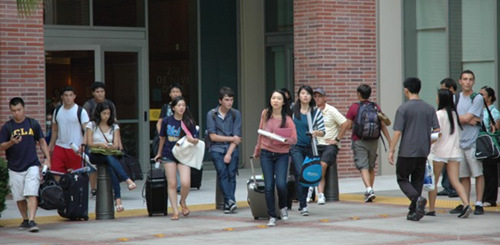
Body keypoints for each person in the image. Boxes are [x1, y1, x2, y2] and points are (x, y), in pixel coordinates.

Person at [388, 77, 439, 221]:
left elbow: (398, 132)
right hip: (423, 151)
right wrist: (428, 142)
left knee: (402, 178)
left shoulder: (403, 108)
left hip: (407, 151)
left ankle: (417, 200)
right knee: (417, 180)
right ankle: (413, 211)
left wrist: (391, 150)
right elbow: (437, 130)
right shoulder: (429, 108)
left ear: (406, 90)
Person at [0, 97, 51, 232]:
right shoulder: (7, 127)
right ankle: (25, 219)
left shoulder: (32, 123)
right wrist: (11, 142)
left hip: (32, 164)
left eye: (19, 110)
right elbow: (2, 146)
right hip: (15, 166)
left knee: (32, 192)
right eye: (14, 111)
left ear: (24, 108)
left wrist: (48, 158)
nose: (17, 113)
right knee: (19, 196)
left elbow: (41, 141)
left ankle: (32, 220)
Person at [253, 90, 297, 226]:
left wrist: (285, 140)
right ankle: (272, 215)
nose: (276, 101)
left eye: (279, 98)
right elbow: (261, 131)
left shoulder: (288, 119)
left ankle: (283, 207)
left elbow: (294, 139)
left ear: (283, 102)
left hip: (282, 155)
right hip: (266, 153)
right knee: (268, 186)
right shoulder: (265, 113)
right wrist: (257, 149)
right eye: (273, 98)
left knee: (281, 184)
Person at [426, 89, 472, 218]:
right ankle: (467, 204)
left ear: (441, 99)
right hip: (454, 152)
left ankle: (431, 209)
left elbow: (436, 135)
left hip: (439, 152)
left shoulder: (439, 114)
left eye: (437, 96)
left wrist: (427, 145)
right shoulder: (454, 114)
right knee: (455, 181)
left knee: (434, 182)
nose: (436, 98)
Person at [344, 84, 392, 202]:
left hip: (359, 140)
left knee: (363, 166)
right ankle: (370, 190)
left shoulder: (354, 107)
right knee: (371, 166)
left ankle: (369, 189)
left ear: (358, 94)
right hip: (374, 141)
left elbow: (349, 125)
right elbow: (382, 125)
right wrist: (390, 142)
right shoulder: (376, 107)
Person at [86, 102, 136, 212]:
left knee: (110, 165)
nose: (106, 116)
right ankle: (127, 179)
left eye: (108, 113)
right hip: (95, 155)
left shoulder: (114, 126)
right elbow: (89, 143)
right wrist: (100, 144)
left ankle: (118, 200)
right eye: (104, 113)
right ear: (99, 113)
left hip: (109, 153)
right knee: (108, 159)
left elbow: (116, 145)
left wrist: (109, 147)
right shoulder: (92, 125)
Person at [154, 96, 199, 220]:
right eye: (179, 105)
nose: (181, 108)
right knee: (172, 183)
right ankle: (175, 211)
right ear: (173, 108)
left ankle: (183, 201)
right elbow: (162, 138)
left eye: (183, 105)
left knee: (185, 183)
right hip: (169, 154)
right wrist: (159, 153)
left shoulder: (189, 122)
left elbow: (196, 141)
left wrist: (193, 140)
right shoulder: (167, 121)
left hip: (184, 155)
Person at [450, 70, 485, 215]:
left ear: (473, 82)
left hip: (474, 141)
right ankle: (465, 203)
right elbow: (452, 117)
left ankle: (479, 203)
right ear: (460, 81)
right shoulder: (455, 98)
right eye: (465, 79)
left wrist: (463, 118)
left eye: (470, 79)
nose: (467, 82)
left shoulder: (477, 98)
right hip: (459, 142)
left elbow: (467, 117)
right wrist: (465, 119)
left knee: (477, 173)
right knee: (463, 175)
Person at [290, 85, 325, 216]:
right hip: (296, 147)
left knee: (307, 175)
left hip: (311, 148)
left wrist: (316, 132)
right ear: (299, 95)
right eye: (303, 93)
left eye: (308, 94)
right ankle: (303, 204)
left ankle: (302, 202)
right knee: (300, 173)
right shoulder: (292, 110)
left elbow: (323, 131)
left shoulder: (316, 112)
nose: (305, 96)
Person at [206, 87, 242, 214]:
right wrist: (231, 138)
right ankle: (230, 201)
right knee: (222, 174)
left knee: (231, 175)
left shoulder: (235, 114)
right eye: (227, 100)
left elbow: (237, 138)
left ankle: (229, 203)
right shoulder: (212, 114)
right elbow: (213, 136)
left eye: (231, 100)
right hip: (216, 149)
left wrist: (229, 153)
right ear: (220, 101)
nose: (230, 103)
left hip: (231, 149)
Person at [83, 81, 120, 199]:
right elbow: (86, 125)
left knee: (110, 162)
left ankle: (113, 189)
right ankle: (93, 188)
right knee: (92, 165)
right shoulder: (88, 105)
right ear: (93, 93)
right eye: (97, 92)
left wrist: (119, 143)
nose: (100, 94)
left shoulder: (110, 104)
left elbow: (115, 123)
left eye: (102, 91)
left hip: (108, 142)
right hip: (93, 141)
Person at [312, 87, 348, 205]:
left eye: (319, 96)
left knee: (322, 165)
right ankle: (316, 192)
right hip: (315, 143)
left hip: (329, 145)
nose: (317, 98)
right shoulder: (312, 111)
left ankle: (320, 192)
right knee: (310, 165)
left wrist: (337, 139)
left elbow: (345, 123)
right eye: (315, 96)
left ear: (325, 98)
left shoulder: (331, 110)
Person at [48, 86, 90, 180]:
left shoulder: (80, 111)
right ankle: (59, 193)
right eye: (66, 95)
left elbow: (87, 130)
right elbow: (55, 130)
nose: (68, 98)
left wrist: (83, 145)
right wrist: (50, 147)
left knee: (77, 176)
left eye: (71, 95)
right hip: (60, 146)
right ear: (62, 97)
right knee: (56, 173)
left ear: (74, 96)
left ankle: (75, 194)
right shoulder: (57, 111)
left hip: (75, 148)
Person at [436, 78, 459, 198]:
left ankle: (431, 208)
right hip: (452, 147)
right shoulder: (452, 112)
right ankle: (448, 187)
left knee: (434, 180)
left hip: (444, 148)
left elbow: (436, 132)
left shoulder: (441, 112)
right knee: (451, 175)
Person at [479, 86, 500, 207]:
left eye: (483, 95)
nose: (480, 97)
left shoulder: (494, 111)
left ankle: (490, 198)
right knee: (484, 171)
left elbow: (496, 129)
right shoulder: (480, 109)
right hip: (482, 144)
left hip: (490, 144)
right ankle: (483, 197)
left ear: (490, 98)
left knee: (490, 172)